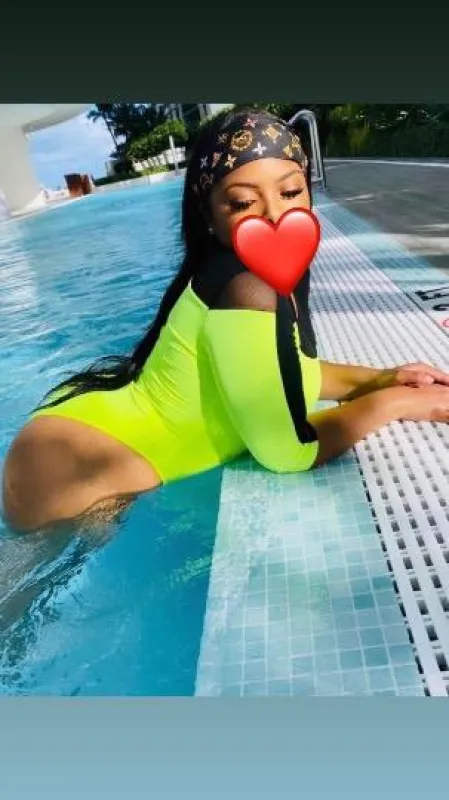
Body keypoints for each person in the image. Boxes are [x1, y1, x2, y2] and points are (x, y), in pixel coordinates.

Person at [3, 106, 449, 533]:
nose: (275, 215)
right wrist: (394, 403)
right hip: (69, 471)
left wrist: (379, 379)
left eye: (290, 192)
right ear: (210, 218)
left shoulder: (269, 268)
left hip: (87, 438)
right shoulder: (245, 287)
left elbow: (285, 371)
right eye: (243, 203)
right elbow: (286, 452)